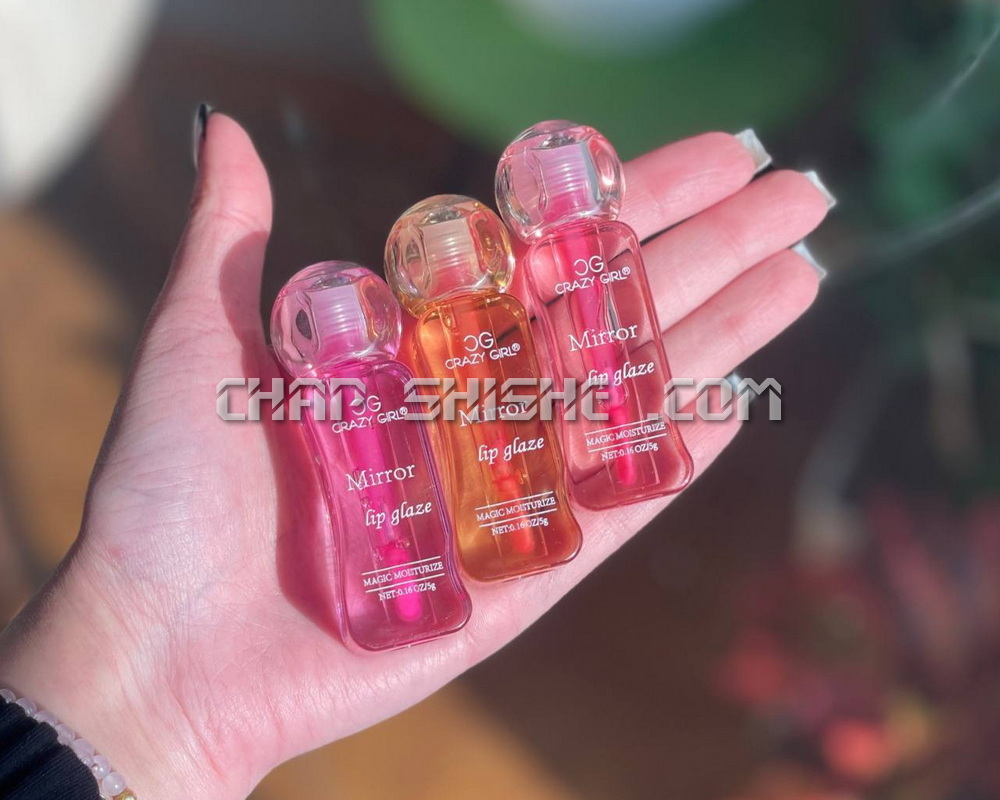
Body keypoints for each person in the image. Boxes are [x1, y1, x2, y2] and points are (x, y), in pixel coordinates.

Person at [0, 111, 831, 800]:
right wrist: (138, 715)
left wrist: (128, 729)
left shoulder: (523, 292)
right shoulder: (399, 359)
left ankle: (604, 467)